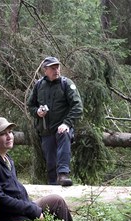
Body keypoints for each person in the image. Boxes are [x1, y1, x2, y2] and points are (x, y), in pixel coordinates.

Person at [0, 117, 73, 221]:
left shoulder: (7, 159)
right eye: (2, 134)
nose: (9, 136)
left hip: (17, 213)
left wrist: (31, 207)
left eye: (10, 132)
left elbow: (15, 192)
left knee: (56, 201)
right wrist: (33, 210)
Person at [27, 56, 83, 186]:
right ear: (45, 70)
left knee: (63, 136)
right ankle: (53, 186)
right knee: (50, 161)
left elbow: (78, 106)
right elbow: (30, 106)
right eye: (52, 68)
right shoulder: (39, 85)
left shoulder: (66, 84)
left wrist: (67, 123)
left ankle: (63, 174)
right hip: (46, 129)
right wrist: (37, 112)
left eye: (57, 67)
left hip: (62, 126)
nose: (56, 70)